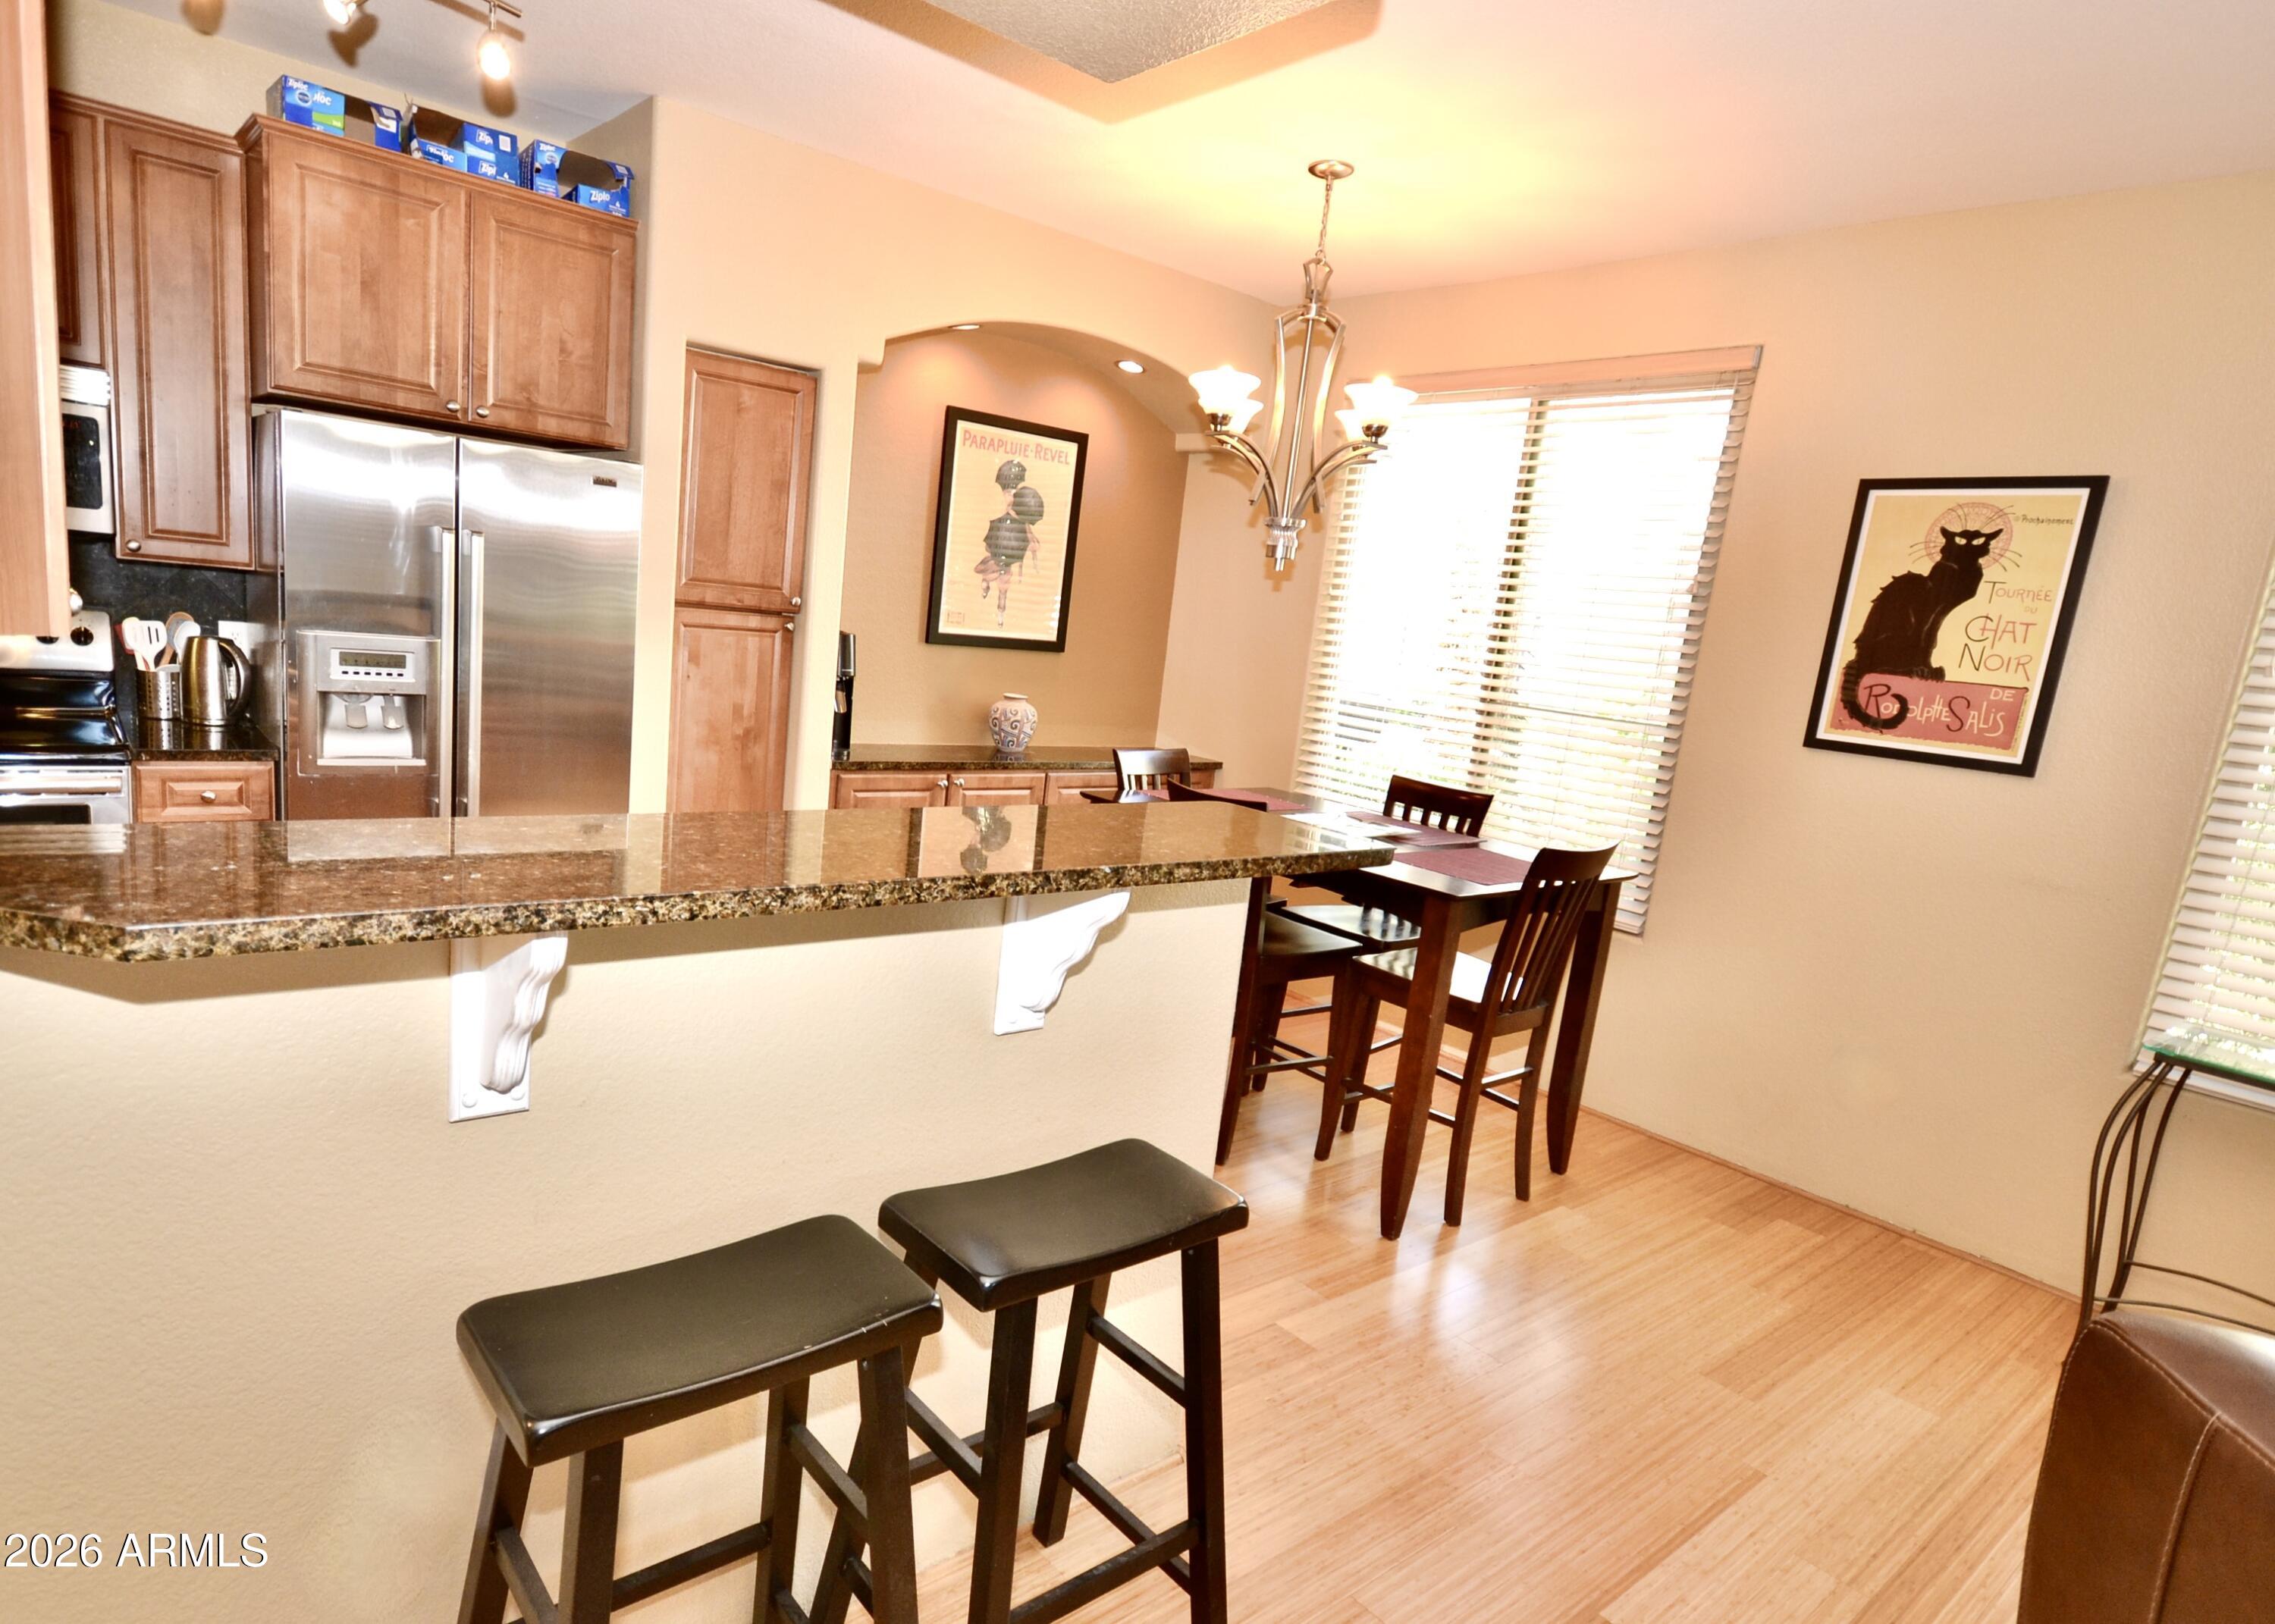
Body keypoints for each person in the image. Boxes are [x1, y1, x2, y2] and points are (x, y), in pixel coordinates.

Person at [973, 459, 1046, 627]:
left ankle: (1000, 615)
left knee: (1004, 587)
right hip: (1001, 550)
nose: (1010, 497)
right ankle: (986, 586)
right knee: (993, 576)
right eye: (1008, 494)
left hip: (1010, 551)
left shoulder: (1020, 514)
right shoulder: (1001, 517)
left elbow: (1030, 540)